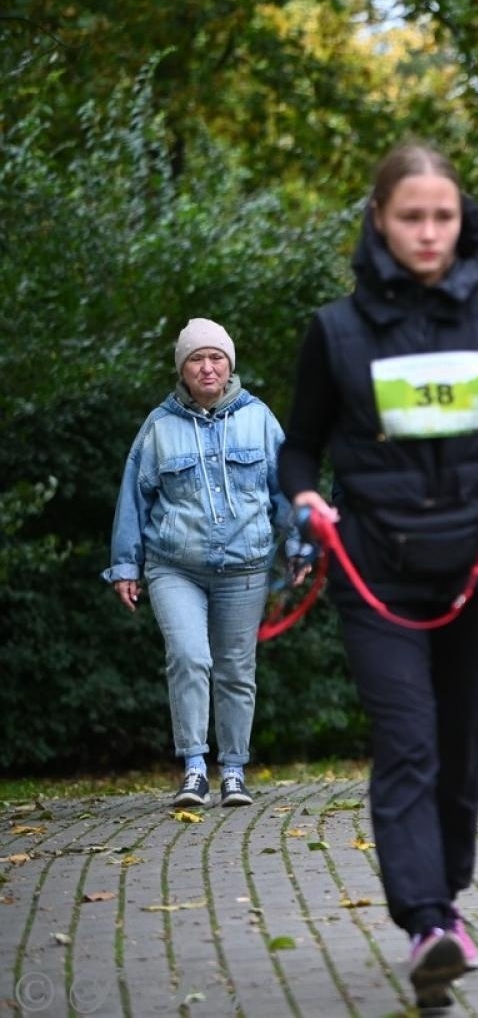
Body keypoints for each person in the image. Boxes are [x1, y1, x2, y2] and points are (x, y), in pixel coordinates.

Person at [277, 141, 478, 1010]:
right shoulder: (336, 330)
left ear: (460, 219)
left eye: (442, 216)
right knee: (409, 744)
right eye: (411, 217)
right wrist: (305, 500)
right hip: (375, 574)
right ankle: (429, 922)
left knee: (461, 755)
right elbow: (298, 446)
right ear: (380, 222)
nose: (429, 233)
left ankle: (448, 898)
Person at [104, 318, 296, 810]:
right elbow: (134, 496)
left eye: (216, 358)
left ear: (229, 365)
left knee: (235, 669)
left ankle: (233, 771)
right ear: (182, 369)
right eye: (196, 359)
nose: (207, 367)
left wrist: (299, 547)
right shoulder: (159, 427)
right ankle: (194, 768)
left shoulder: (259, 419)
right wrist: (126, 565)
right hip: (175, 566)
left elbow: (286, 492)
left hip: (246, 566)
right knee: (189, 657)